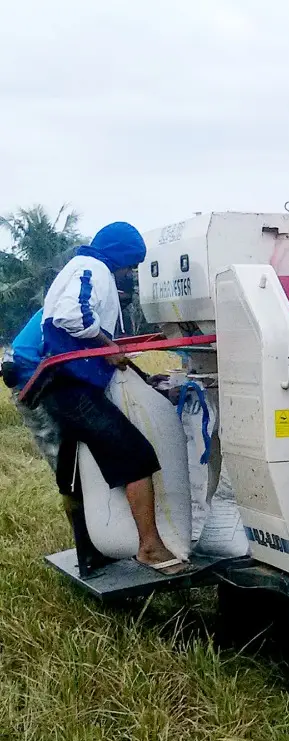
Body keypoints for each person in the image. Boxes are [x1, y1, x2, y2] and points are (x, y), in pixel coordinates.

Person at [35, 222, 185, 573]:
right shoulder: (94, 269)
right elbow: (73, 316)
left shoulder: (79, 267)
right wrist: (107, 346)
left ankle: (91, 555)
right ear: (121, 254)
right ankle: (150, 547)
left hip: (62, 386)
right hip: (72, 386)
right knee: (136, 455)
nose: (128, 272)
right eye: (130, 265)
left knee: (72, 473)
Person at [1, 309, 62, 471]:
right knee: (53, 441)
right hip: (30, 382)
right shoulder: (62, 312)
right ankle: (72, 490)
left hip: (32, 376)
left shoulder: (52, 309)